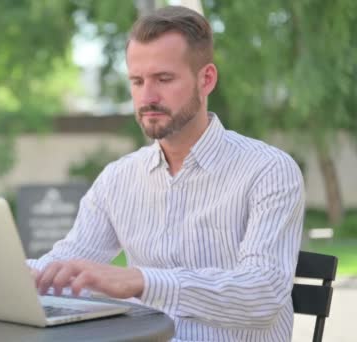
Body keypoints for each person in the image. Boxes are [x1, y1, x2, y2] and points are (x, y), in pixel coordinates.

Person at [27, 5, 304, 342]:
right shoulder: (118, 178)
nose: (148, 96)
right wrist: (11, 273)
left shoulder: (269, 171)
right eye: (137, 81)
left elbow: (262, 295)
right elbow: (68, 263)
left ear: (206, 79)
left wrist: (140, 281)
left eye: (164, 79)